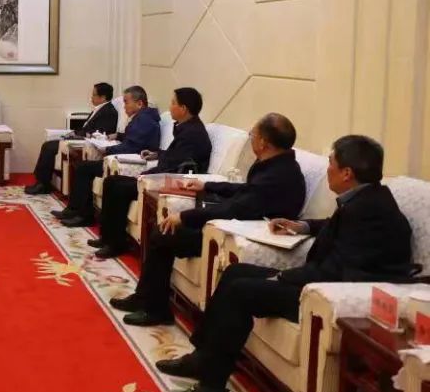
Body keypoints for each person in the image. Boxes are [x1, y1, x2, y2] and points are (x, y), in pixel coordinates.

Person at [157, 135, 414, 392]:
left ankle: (211, 390)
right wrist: (302, 226)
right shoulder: (367, 198)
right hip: (321, 279)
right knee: (235, 272)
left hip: (330, 293)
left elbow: (337, 270)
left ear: (347, 173)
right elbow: (336, 225)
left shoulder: (370, 212)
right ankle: (202, 358)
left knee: (241, 292)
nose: (328, 168)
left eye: (331, 162)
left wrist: (282, 277)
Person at [112, 113, 306, 326]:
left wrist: (185, 216)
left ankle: (155, 309)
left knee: (165, 234)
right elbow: (245, 190)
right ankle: (145, 298)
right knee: (163, 233)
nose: (251, 138)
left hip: (238, 231)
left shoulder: (278, 175)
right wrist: (207, 185)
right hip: (233, 223)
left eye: (253, 135)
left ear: (263, 142)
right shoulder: (275, 164)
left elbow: (237, 208)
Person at [86, 87, 212, 260]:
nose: (170, 106)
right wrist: (157, 154)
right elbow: (174, 155)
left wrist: (147, 174)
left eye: (173, 103)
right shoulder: (186, 127)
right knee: (112, 182)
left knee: (118, 187)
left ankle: (116, 243)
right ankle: (108, 238)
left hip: (174, 181)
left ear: (183, 108)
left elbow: (176, 165)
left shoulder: (193, 133)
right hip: (163, 174)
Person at [51, 86, 160, 221]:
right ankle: (75, 210)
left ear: (139, 103)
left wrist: (107, 150)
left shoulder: (144, 120)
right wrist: (118, 136)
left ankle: (82, 214)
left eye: (126, 102)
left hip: (130, 162)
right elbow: (133, 138)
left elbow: (132, 146)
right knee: (83, 167)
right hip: (124, 156)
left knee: (83, 168)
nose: (124, 106)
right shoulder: (142, 117)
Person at [25, 82, 119, 195]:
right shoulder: (100, 109)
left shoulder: (109, 112)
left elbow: (99, 132)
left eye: (94, 95)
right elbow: (86, 127)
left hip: (87, 143)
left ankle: (43, 184)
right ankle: (41, 182)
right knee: (49, 144)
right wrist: (74, 133)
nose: (91, 97)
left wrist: (77, 135)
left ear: (103, 97)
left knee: (49, 147)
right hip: (80, 138)